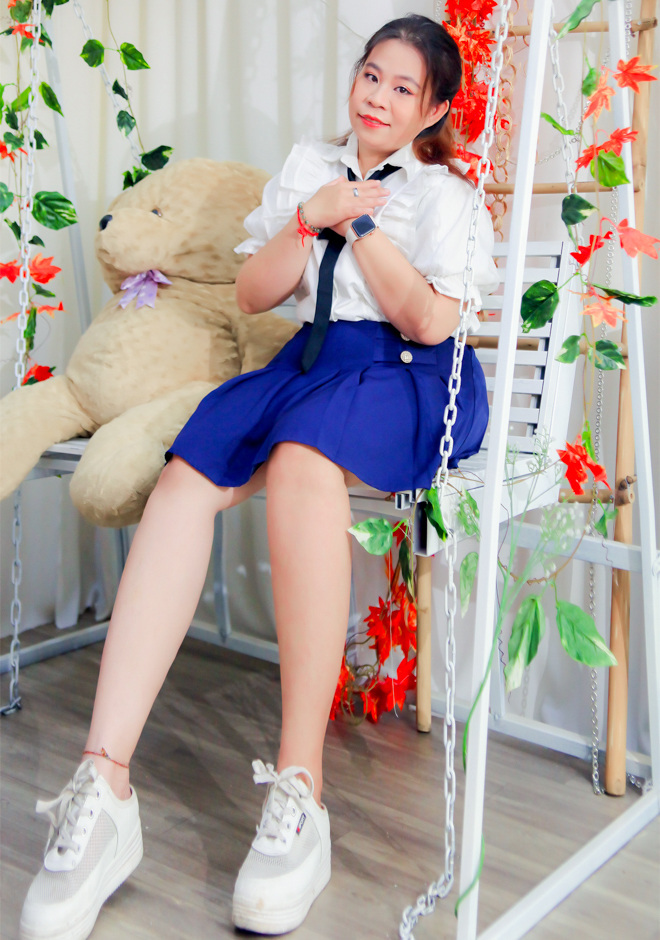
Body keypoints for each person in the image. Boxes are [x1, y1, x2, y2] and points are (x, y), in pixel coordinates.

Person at [19, 13, 498, 940]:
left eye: (403, 87)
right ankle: (103, 783)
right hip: (310, 364)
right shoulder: (307, 164)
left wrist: (359, 222)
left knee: (302, 456)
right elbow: (254, 292)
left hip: (409, 374)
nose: (378, 96)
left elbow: (429, 322)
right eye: (371, 74)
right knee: (187, 471)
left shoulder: (445, 197)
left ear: (435, 108)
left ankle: (299, 792)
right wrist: (308, 216)